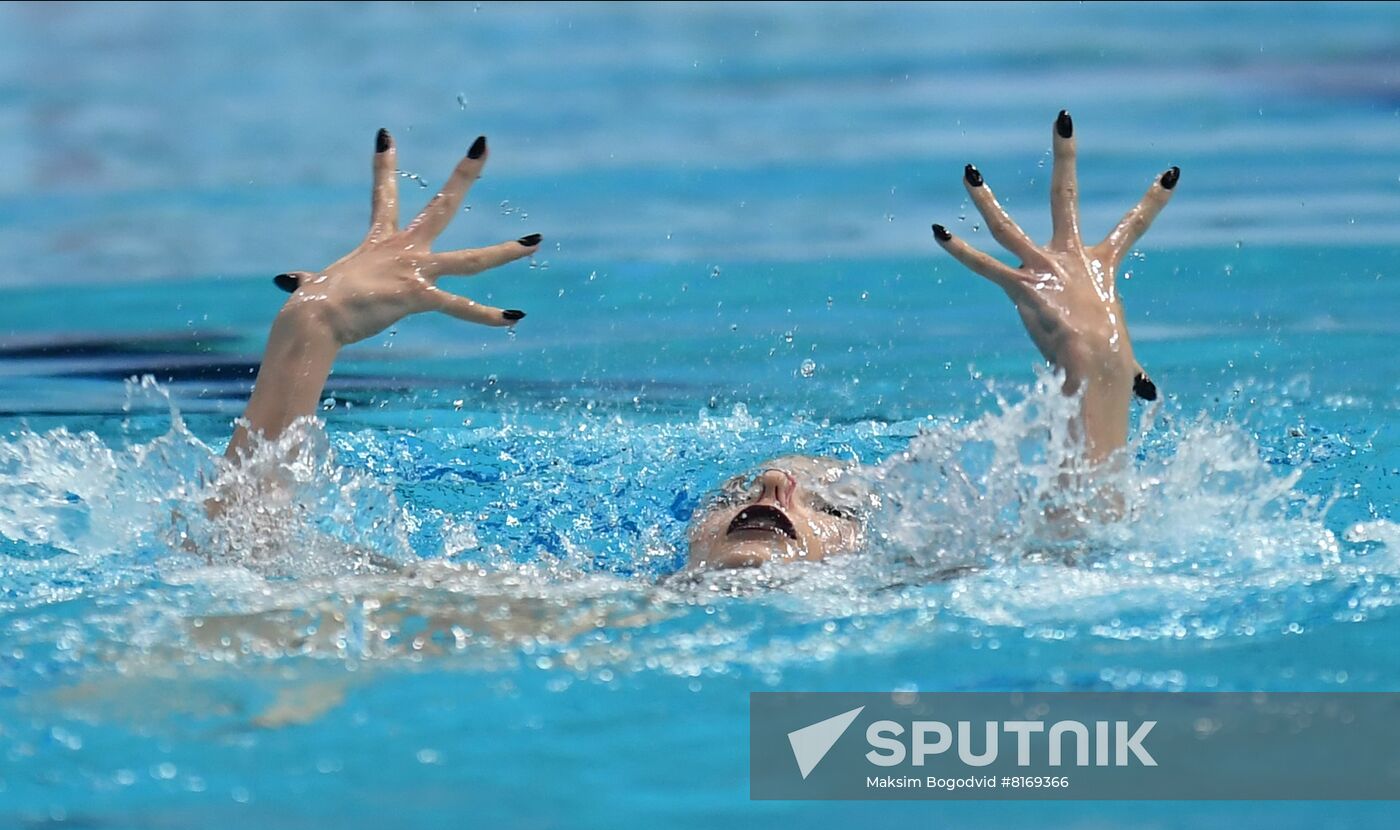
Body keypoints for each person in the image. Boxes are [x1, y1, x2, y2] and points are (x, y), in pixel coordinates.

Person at [227, 111, 1178, 571]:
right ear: (680, 540)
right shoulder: (579, 620)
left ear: (879, 555)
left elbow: (1082, 559)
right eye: (737, 492)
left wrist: (1094, 378)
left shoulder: (936, 605)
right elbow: (254, 566)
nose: (773, 491)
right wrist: (306, 334)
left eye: (833, 504)